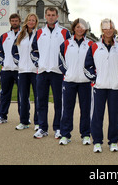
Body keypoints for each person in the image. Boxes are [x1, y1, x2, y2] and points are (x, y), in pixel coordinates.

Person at [84, 19, 118, 153]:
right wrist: (95, 79)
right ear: (102, 30)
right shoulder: (94, 46)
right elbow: (88, 65)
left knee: (114, 116)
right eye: (105, 28)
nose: (108, 30)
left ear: (113, 29)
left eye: (110, 27)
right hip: (99, 86)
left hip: (115, 87)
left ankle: (113, 141)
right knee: (98, 116)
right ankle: (97, 142)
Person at [31, 7, 70, 139]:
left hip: (58, 73)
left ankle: (58, 128)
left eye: (53, 15)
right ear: (46, 17)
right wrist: (39, 63)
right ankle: (42, 128)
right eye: (48, 15)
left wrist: (63, 68)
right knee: (41, 101)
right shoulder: (39, 32)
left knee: (59, 102)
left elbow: (68, 53)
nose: (51, 17)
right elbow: (33, 51)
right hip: (42, 72)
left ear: (57, 16)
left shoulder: (65, 33)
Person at [58, 18, 93, 146]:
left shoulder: (90, 44)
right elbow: (61, 61)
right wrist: (67, 73)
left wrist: (90, 76)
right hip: (69, 81)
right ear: (74, 28)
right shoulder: (66, 44)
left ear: (85, 29)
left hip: (85, 82)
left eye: (82, 27)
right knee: (67, 109)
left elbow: (94, 63)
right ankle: (65, 135)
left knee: (85, 109)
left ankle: (85, 135)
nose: (80, 29)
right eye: (77, 27)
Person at [12, 13, 39, 131]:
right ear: (26, 21)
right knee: (23, 97)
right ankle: (24, 121)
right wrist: (19, 63)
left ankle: (38, 122)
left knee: (38, 97)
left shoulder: (39, 35)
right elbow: (14, 52)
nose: (31, 22)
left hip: (35, 71)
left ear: (36, 22)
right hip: (23, 71)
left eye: (33, 20)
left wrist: (38, 64)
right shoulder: (19, 35)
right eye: (29, 20)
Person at [0, 13, 21, 125]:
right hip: (6, 70)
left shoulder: (24, 35)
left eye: (16, 21)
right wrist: (3, 62)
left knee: (22, 95)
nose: (14, 22)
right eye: (12, 21)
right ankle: (2, 116)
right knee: (4, 93)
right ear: (10, 22)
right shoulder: (4, 36)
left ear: (19, 21)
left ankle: (24, 118)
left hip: (20, 70)